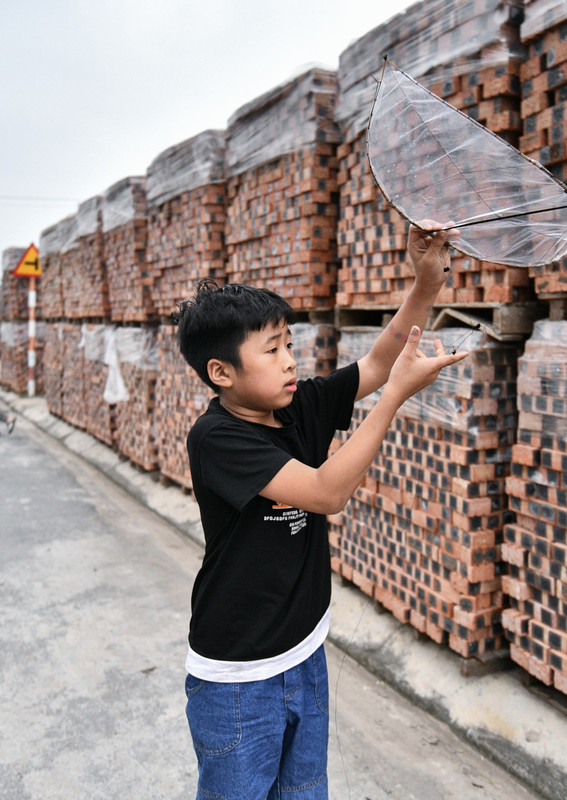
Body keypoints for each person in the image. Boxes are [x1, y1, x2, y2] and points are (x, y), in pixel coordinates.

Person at [173, 222, 466, 798]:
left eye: (289, 344)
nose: (290, 361)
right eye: (271, 350)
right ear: (221, 373)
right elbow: (327, 492)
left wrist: (427, 283)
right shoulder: (217, 438)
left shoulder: (298, 405)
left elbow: (378, 364)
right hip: (238, 681)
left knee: (306, 791)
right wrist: (394, 398)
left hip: (305, 653)